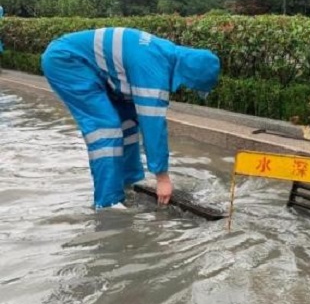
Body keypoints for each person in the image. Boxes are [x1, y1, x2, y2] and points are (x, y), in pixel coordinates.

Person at [41, 28, 220, 209]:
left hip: (84, 63)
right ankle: (108, 205)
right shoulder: (153, 70)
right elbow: (153, 126)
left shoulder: (165, 54)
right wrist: (162, 178)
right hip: (66, 61)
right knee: (106, 129)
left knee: (127, 122)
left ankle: (129, 183)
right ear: (191, 75)